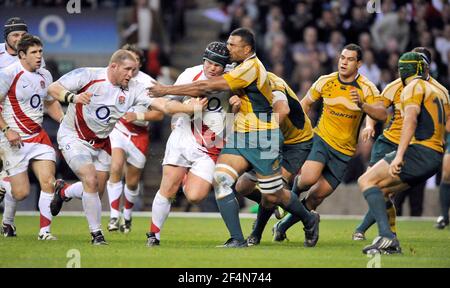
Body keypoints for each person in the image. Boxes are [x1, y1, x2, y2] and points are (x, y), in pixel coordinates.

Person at [149, 28, 320, 248]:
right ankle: (236, 239)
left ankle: (308, 218)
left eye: (232, 45)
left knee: (274, 194)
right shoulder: (237, 65)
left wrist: (166, 89)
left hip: (263, 136)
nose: (227, 48)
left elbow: (206, 86)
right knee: (222, 179)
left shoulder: (251, 68)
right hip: (240, 135)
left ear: (246, 49)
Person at [47, 49, 168, 245]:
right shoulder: (88, 75)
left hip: (102, 142)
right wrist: (73, 98)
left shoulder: (135, 86)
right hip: (74, 137)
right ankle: (97, 235)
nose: (131, 74)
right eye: (128, 69)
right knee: (91, 180)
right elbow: (53, 88)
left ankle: (64, 192)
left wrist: (191, 108)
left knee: (96, 189)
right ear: (114, 66)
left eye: (134, 69)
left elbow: (164, 107)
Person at [272, 44, 387, 247]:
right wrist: (295, 128)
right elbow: (304, 104)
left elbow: (381, 114)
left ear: (359, 64)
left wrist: (364, 108)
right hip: (321, 140)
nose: (343, 61)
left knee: (316, 198)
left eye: (350, 59)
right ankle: (290, 195)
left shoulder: (367, 88)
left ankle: (282, 226)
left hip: (344, 152)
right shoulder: (326, 81)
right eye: (342, 57)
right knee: (307, 179)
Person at [146, 41, 242, 246]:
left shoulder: (233, 79)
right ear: (203, 60)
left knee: (195, 196)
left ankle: (186, 176)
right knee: (168, 187)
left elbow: (239, 114)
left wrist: (235, 107)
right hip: (184, 135)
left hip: (212, 145)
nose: (212, 68)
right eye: (208, 62)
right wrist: (186, 108)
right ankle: (154, 235)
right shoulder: (190, 74)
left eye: (217, 65)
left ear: (225, 65)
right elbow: (168, 104)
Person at [353, 47, 449, 239]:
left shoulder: (413, 87)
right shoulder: (442, 91)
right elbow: (379, 110)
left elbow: (411, 121)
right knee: (383, 190)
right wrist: (369, 123)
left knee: (368, 182)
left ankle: (381, 235)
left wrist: (399, 155)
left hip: (413, 148)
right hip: (406, 146)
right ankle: (387, 236)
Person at [236, 71, 314, 246]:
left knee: (271, 192)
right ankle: (276, 209)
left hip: (296, 141)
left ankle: (258, 233)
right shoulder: (240, 86)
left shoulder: (272, 82)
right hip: (271, 139)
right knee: (242, 186)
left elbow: (283, 110)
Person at [0, 34, 65, 240]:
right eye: (34, 53)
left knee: (48, 181)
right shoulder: (8, 74)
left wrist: (64, 122)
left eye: (40, 52)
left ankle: (44, 232)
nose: (39, 56)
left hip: (39, 137)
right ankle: (6, 209)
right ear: (22, 55)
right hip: (14, 139)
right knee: (21, 193)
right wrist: (6, 130)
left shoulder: (45, 75)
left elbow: (49, 102)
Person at [106, 44, 164, 234]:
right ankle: (114, 216)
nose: (130, 66)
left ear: (140, 62)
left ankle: (128, 216)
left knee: (132, 181)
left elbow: (159, 115)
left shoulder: (149, 83)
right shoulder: (115, 80)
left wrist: (138, 117)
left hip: (140, 134)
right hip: (119, 128)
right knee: (115, 166)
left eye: (134, 61)